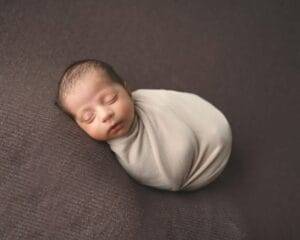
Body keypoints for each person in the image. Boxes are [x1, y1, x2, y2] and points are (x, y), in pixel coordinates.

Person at [55, 59, 233, 192]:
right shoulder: (133, 158)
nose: (105, 115)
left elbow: (169, 104)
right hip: (205, 163)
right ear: (78, 126)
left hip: (212, 127)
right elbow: (173, 177)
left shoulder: (144, 99)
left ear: (127, 90)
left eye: (111, 99)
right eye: (89, 117)